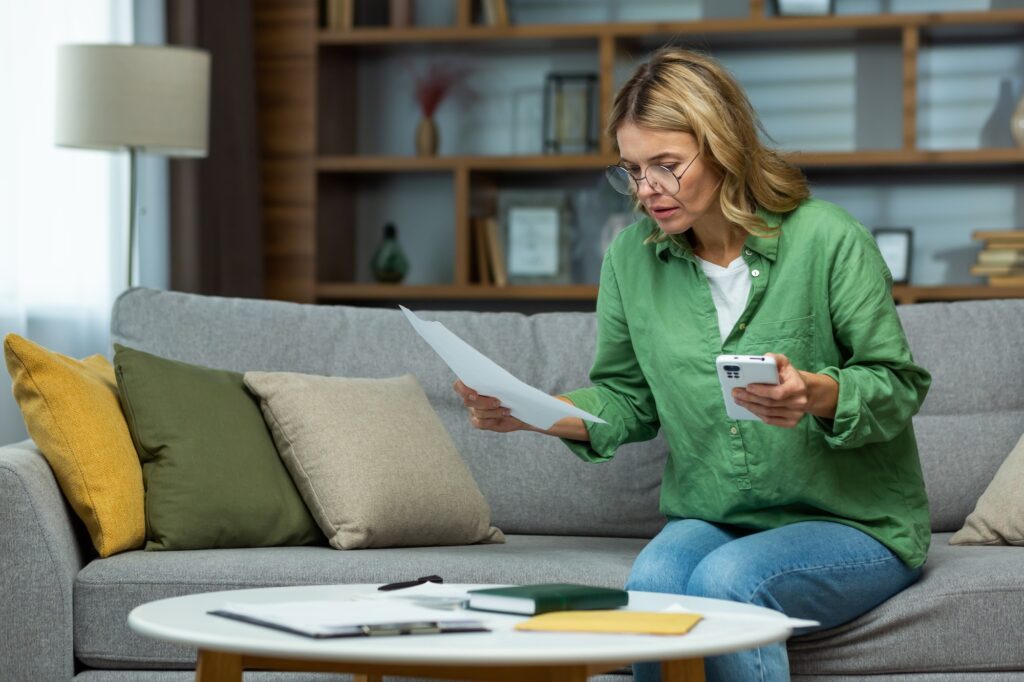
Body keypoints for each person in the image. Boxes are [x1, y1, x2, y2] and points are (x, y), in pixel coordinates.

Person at [454, 47, 931, 682]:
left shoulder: (827, 238)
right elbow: (627, 400)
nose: (647, 190)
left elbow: (896, 385)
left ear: (724, 146)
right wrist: (531, 413)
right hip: (717, 515)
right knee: (653, 584)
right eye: (631, 169)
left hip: (854, 523)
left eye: (667, 166)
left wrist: (815, 394)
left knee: (731, 581)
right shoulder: (630, 259)